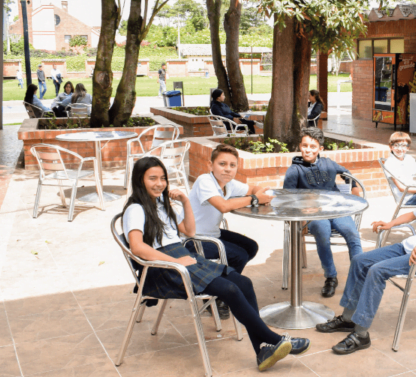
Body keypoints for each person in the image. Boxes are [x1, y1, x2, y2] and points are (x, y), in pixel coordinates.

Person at [122, 157, 309, 371]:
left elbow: (190, 232)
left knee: (244, 283)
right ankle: (275, 339)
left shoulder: (160, 204)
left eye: (163, 178)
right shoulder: (135, 209)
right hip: (163, 268)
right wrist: (175, 261)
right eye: (152, 178)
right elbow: (137, 247)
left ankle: (262, 350)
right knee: (229, 289)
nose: (159, 183)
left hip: (182, 258)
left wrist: (185, 201)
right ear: (140, 180)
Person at [316, 158, 416, 354]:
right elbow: (413, 214)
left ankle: (361, 334)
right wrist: (391, 224)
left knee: (377, 271)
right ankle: (348, 319)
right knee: (360, 260)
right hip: (413, 247)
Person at [189, 144, 272, 318]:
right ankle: (217, 292)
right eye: (222, 164)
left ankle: (217, 285)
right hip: (193, 239)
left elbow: (252, 189)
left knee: (250, 247)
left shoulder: (230, 184)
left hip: (211, 233)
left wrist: (258, 193)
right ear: (210, 166)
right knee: (238, 255)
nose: (227, 169)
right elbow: (223, 206)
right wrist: (255, 199)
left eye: (232, 165)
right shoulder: (205, 181)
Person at [283, 127, 364, 298]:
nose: (308, 150)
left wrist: (354, 187)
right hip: (313, 214)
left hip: (336, 209)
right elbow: (287, 196)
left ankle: (360, 276)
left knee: (352, 233)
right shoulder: (295, 169)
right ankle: (331, 277)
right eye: (305, 145)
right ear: (300, 146)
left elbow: (346, 173)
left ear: (320, 149)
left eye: (313, 147)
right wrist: (303, 207)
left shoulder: (328, 163)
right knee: (322, 230)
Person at [383, 132, 416, 206]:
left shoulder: (408, 158)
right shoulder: (390, 163)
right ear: (391, 146)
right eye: (396, 145)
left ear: (408, 147)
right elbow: (401, 188)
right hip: (406, 197)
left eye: (403, 146)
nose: (400, 149)